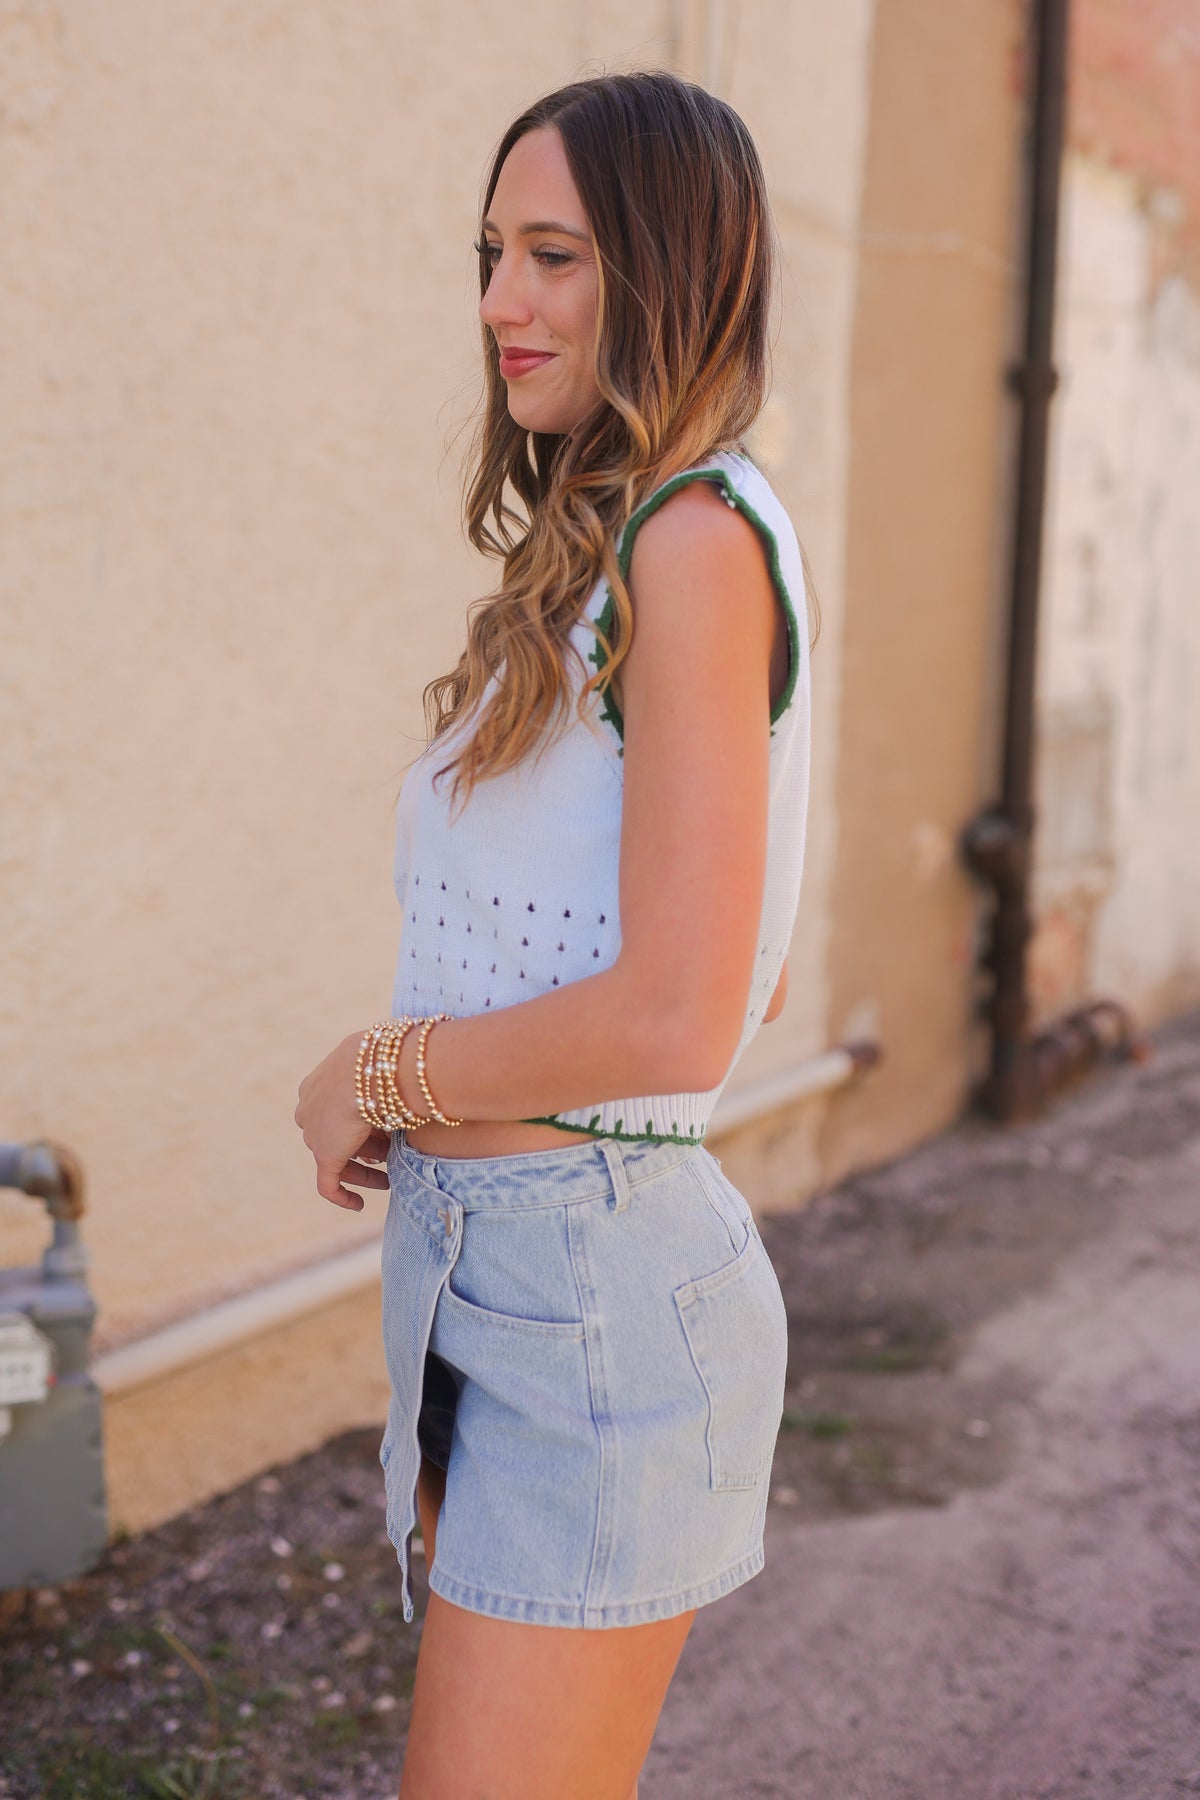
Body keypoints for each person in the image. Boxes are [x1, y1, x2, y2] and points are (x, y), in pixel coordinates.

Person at [294, 68, 815, 1800]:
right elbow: (736, 951)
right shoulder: (597, 558)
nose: (502, 303)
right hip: (481, 1275)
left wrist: (383, 1068)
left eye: (556, 257)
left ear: (666, 270)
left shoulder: (695, 539)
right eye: (490, 254)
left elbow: (681, 1014)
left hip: (587, 1292)